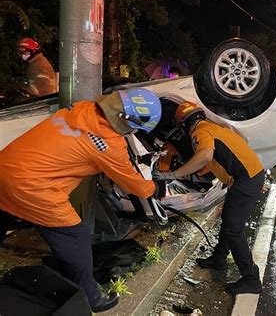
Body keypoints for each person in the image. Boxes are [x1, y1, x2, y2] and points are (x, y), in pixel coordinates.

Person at [0, 88, 162, 313]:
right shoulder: (108, 145)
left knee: (6, 214)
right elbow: (136, 186)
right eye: (134, 127)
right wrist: (155, 186)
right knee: (74, 235)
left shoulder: (81, 109)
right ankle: (90, 296)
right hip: (32, 186)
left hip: (6, 166)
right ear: (126, 120)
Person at [154, 101, 264, 295]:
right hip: (246, 176)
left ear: (184, 123)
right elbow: (233, 149)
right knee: (229, 222)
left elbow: (205, 156)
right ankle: (219, 259)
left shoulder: (200, 133)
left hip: (246, 179)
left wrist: (174, 174)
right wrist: (227, 176)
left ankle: (251, 279)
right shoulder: (214, 128)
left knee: (233, 230)